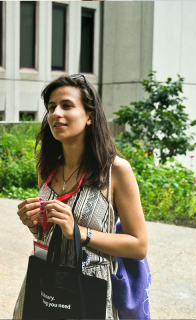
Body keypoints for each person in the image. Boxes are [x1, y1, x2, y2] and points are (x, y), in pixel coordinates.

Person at [13, 74, 148, 319]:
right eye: (51, 107)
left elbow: (139, 246)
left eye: (66, 105)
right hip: (45, 285)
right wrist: (34, 224)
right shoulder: (48, 167)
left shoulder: (115, 170)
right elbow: (49, 235)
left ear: (89, 116)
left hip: (87, 293)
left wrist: (79, 231)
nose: (55, 114)